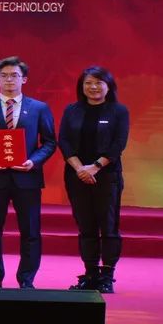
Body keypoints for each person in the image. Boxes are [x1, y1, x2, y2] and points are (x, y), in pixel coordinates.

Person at [0, 56, 56, 289]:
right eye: (4, 75)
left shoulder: (39, 108)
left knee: (30, 231)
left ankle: (26, 279)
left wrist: (33, 161)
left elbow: (49, 142)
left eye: (14, 75)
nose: (9, 80)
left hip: (27, 178)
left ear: (24, 79)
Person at [59, 66, 129, 294]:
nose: (93, 87)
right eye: (88, 83)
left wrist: (95, 167)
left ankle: (107, 276)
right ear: (82, 86)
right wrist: (80, 168)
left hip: (107, 176)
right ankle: (90, 274)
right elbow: (64, 141)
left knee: (108, 226)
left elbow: (118, 144)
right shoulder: (72, 110)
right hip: (76, 175)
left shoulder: (118, 111)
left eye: (99, 83)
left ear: (108, 86)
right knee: (86, 226)